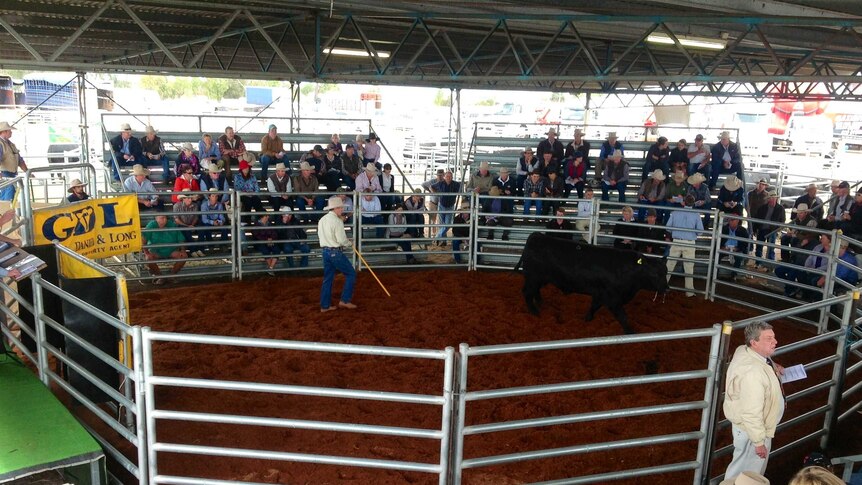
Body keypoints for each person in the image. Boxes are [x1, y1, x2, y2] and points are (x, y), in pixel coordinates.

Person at [723, 321, 785, 481]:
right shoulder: (753, 373)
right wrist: (758, 442)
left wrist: (772, 365)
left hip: (749, 428)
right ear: (754, 343)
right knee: (748, 474)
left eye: (774, 337)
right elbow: (751, 412)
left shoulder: (745, 351)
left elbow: (758, 359)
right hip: (754, 430)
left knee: (741, 467)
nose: (775, 341)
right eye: (768, 338)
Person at [318, 196, 357, 312]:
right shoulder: (337, 221)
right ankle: (345, 300)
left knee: (328, 278)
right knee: (351, 274)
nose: (342, 210)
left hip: (325, 251)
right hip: (335, 251)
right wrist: (349, 243)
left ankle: (325, 306)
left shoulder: (322, 220)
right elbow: (341, 240)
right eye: (341, 208)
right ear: (336, 208)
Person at [665, 195, 703, 297]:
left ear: (684, 202)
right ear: (693, 203)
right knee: (689, 267)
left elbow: (668, 227)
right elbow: (700, 232)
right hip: (689, 243)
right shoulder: (696, 214)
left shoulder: (675, 212)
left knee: (669, 265)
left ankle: (662, 286)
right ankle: (689, 292)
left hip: (676, 241)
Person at [143, 215, 187, 285]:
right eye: (161, 218)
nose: (164, 220)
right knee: (148, 258)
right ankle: (160, 277)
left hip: (171, 250)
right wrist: (146, 252)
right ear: (156, 218)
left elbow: (181, 239)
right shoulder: (151, 225)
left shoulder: (172, 225)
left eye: (165, 218)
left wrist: (183, 250)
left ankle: (171, 276)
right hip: (155, 250)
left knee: (183, 256)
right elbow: (144, 240)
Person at [775, 231, 820, 299]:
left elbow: (811, 259)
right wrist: (801, 245)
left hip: (804, 266)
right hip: (795, 263)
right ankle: (792, 288)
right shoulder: (802, 241)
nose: (802, 236)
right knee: (778, 270)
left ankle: (790, 290)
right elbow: (794, 252)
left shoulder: (816, 245)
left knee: (791, 274)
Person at [753, 191, 786, 265]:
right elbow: (757, 218)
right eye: (771, 198)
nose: (773, 200)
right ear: (768, 199)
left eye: (774, 198)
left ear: (776, 199)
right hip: (762, 229)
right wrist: (755, 229)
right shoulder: (762, 208)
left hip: (772, 230)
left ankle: (770, 264)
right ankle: (758, 262)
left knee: (771, 248)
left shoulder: (780, 209)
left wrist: (777, 229)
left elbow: (782, 221)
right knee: (759, 246)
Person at [430, 170, 461, 243]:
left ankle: (437, 237)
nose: (448, 178)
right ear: (444, 177)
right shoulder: (440, 183)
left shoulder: (456, 184)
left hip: (450, 206)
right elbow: (431, 186)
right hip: (441, 205)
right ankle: (443, 241)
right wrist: (434, 193)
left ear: (452, 177)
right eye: (447, 176)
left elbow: (460, 191)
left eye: (450, 176)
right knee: (442, 224)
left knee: (447, 224)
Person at [172, 189, 203, 255]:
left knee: (201, 228)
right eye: (188, 198)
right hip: (181, 225)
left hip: (191, 224)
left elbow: (196, 217)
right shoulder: (177, 206)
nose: (190, 200)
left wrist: (192, 225)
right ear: (183, 199)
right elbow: (177, 220)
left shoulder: (195, 205)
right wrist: (187, 226)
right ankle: (193, 250)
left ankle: (200, 248)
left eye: (191, 198)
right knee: (186, 230)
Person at [422, 169, 445, 235]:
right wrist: (429, 190)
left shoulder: (444, 182)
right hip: (433, 202)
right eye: (438, 175)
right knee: (433, 218)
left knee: (440, 219)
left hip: (441, 203)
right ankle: (433, 233)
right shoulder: (432, 181)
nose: (440, 177)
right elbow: (423, 184)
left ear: (443, 175)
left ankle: (439, 234)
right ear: (437, 175)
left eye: (441, 175)